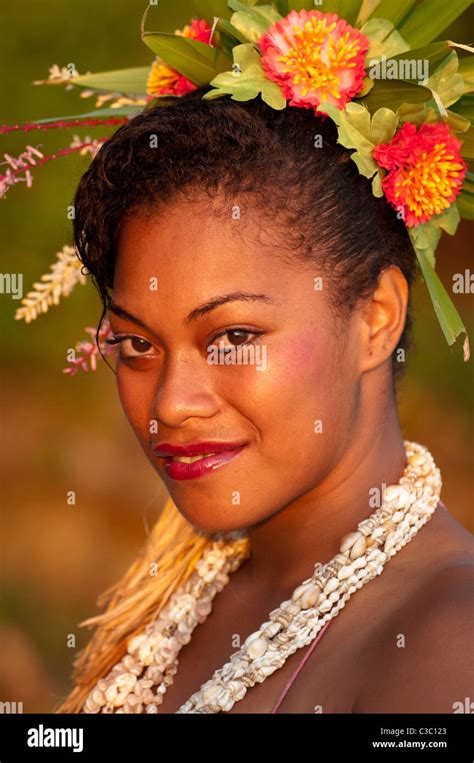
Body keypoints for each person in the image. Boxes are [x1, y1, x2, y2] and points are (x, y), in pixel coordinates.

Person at [55, 89, 473, 714]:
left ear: (376, 318)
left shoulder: (449, 641)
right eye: (138, 343)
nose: (172, 404)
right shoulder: (190, 590)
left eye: (233, 337)